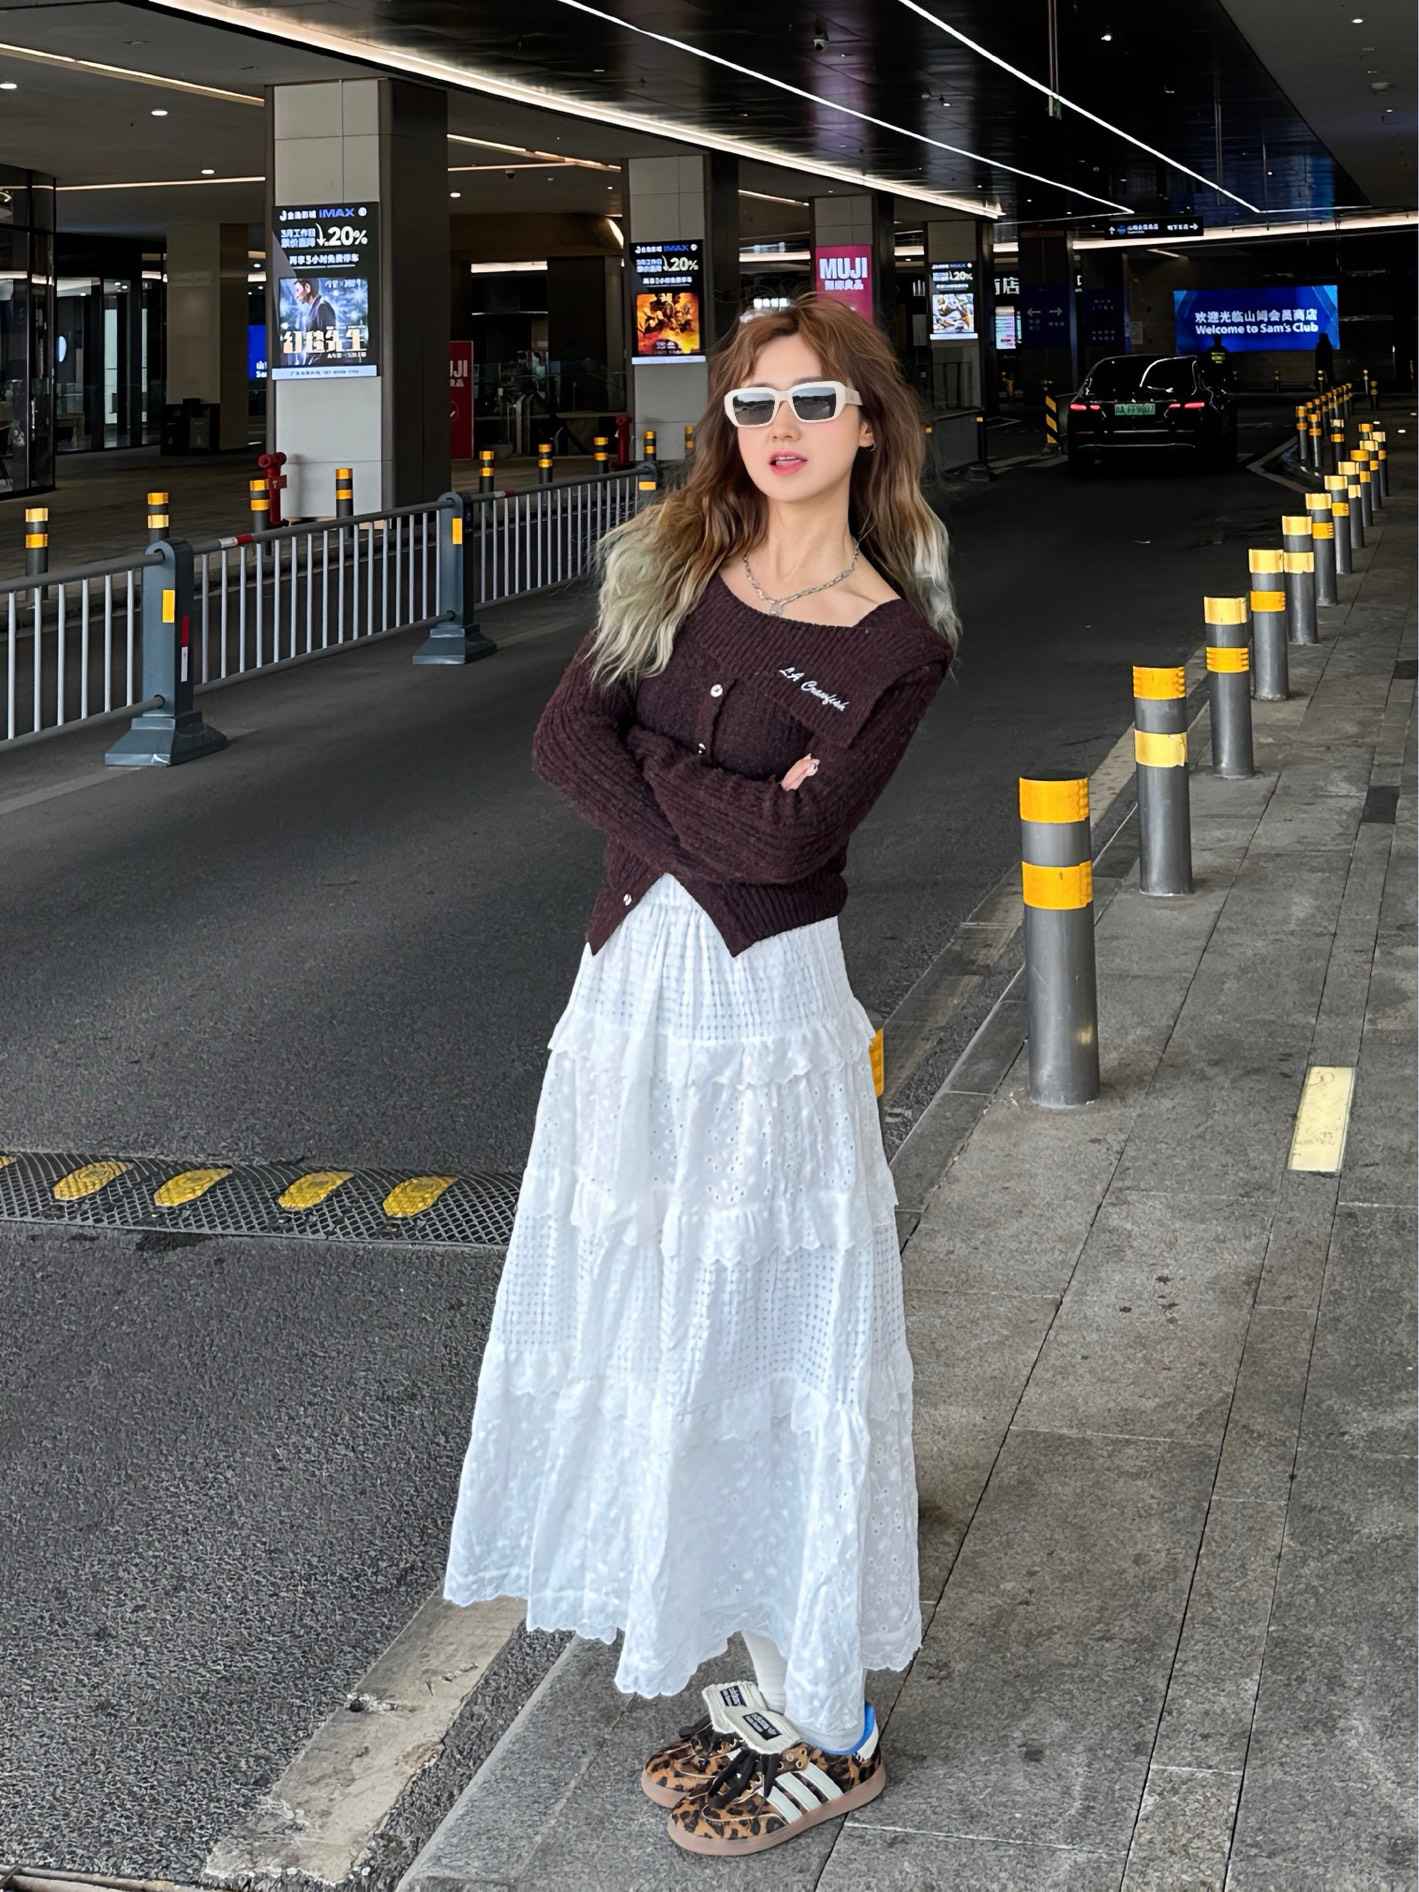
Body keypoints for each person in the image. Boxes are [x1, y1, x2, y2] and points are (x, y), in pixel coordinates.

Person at [442, 293, 960, 1859]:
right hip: (626, 999)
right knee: (661, 1329)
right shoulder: (671, 566)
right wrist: (729, 797)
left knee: (767, 1342)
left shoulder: (896, 642)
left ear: (867, 424)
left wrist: (670, 778)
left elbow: (797, 847)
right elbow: (563, 745)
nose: (781, 430)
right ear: (725, 427)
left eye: (812, 402)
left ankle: (836, 1723)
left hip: (762, 1017)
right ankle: (762, 1672)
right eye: (753, 405)